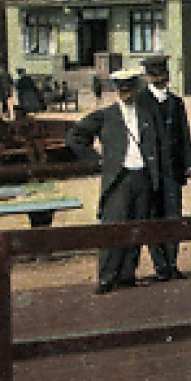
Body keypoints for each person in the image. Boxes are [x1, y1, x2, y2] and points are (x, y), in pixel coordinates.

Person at [65, 68, 162, 294]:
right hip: (119, 178)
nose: (126, 93)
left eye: (130, 88)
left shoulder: (147, 114)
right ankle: (107, 278)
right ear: (117, 90)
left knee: (137, 227)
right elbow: (74, 136)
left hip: (143, 176)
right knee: (113, 228)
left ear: (136, 89)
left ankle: (127, 275)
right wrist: (97, 160)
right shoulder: (107, 115)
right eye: (122, 89)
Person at [141, 56, 191, 281]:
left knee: (173, 217)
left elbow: (184, 134)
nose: (161, 78)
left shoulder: (175, 102)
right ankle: (160, 267)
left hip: (173, 171)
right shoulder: (141, 101)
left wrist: (190, 162)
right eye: (155, 74)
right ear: (148, 76)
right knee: (154, 217)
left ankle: (172, 264)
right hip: (150, 172)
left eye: (163, 74)